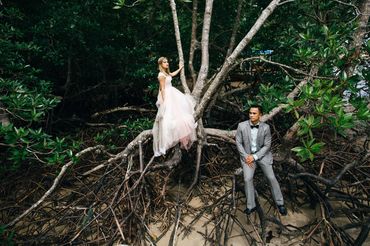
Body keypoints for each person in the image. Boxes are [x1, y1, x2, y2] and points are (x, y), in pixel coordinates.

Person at [235, 105, 287, 216]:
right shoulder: (241, 126)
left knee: (271, 177)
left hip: (262, 156)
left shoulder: (266, 128)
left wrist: (255, 157)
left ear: (260, 115)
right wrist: (246, 156)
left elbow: (267, 146)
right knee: (247, 178)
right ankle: (251, 206)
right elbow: (238, 143)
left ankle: (280, 203)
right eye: (250, 113)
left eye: (254, 113)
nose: (251, 115)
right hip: (247, 157)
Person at [152, 57, 197, 157]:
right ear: (160, 64)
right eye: (165, 62)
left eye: (167, 61)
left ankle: (180, 130)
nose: (167, 63)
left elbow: (172, 74)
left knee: (180, 111)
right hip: (167, 94)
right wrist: (164, 101)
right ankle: (169, 137)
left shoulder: (166, 73)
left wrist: (180, 68)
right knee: (169, 114)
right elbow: (162, 89)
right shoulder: (161, 75)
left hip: (172, 92)